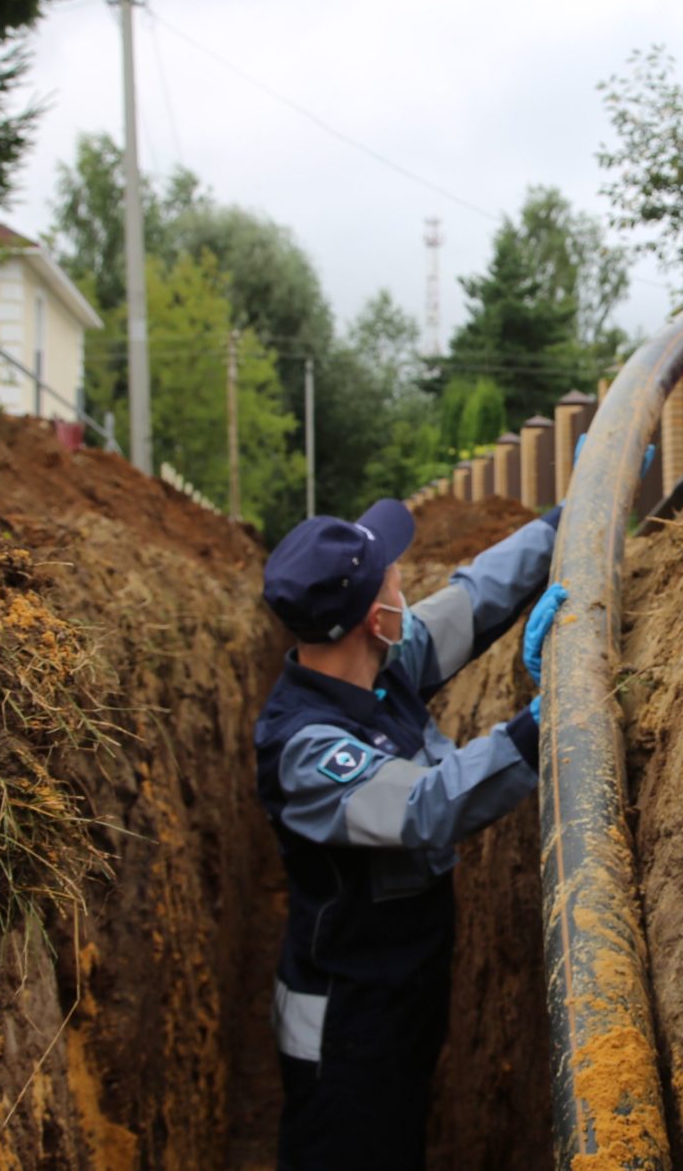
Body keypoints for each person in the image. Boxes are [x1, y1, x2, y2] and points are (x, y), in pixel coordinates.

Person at [253, 498, 562, 1169]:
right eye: (393, 577)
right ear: (372, 615)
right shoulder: (304, 748)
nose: (405, 585)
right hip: (345, 1034)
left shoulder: (376, 664)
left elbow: (472, 600)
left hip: (395, 998)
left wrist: (564, 521)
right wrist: (543, 721)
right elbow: (428, 803)